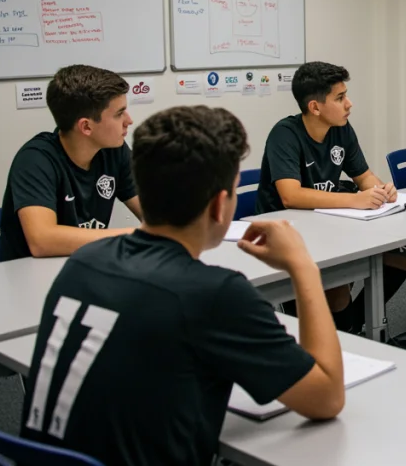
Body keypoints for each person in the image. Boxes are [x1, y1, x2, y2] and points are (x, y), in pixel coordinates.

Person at [19, 105, 344, 465]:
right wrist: (302, 265)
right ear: (221, 205)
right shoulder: (214, 293)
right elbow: (327, 398)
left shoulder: (83, 262)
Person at [256, 61, 406, 334]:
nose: (349, 104)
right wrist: (355, 200)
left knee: (400, 258)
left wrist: (381, 190)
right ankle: (342, 339)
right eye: (340, 98)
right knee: (337, 285)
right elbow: (290, 196)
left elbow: (363, 176)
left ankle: (353, 327)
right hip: (288, 234)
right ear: (315, 107)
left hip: (331, 225)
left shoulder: (341, 128)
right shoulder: (285, 134)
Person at [0, 64, 143, 261]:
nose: (129, 120)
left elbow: (153, 214)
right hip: (31, 279)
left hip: (83, 267)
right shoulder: (35, 160)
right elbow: (42, 241)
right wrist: (133, 236)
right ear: (86, 126)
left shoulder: (114, 150)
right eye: (119, 113)